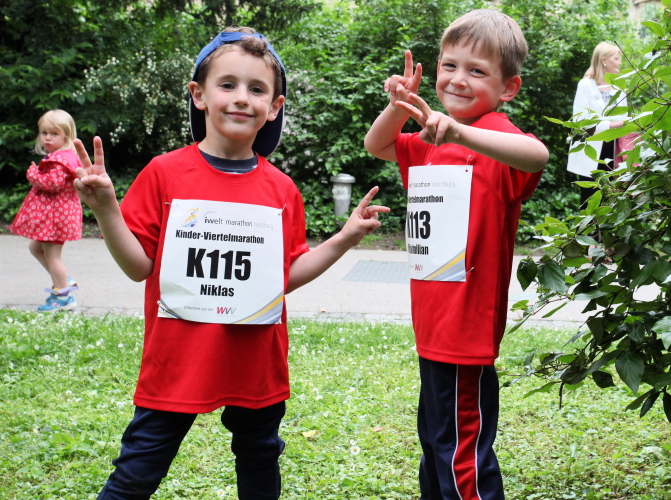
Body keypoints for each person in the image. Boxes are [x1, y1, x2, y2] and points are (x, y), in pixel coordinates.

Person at [73, 27, 389, 499]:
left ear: (274, 106)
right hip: (177, 359)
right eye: (228, 84)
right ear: (199, 95)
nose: (242, 98)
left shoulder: (282, 190)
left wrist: (344, 239)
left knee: (260, 458)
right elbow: (139, 267)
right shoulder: (164, 173)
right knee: (138, 470)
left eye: (257, 89)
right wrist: (105, 209)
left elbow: (284, 278)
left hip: (254, 361)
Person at [364, 9, 548, 500]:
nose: (458, 79)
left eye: (477, 70)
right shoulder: (429, 141)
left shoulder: (495, 139)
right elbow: (377, 144)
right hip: (432, 323)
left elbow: (538, 155)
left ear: (508, 88)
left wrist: (461, 132)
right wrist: (401, 106)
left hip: (467, 330)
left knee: (461, 454)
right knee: (436, 444)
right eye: (449, 65)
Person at [9, 109, 82, 312]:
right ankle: (63, 279)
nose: (48, 137)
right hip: (55, 216)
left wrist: (33, 174)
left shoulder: (60, 160)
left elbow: (53, 183)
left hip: (56, 218)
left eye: (54, 133)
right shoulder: (61, 156)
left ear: (66, 136)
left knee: (53, 256)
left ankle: (64, 297)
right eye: (44, 133)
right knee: (35, 248)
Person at [566, 41, 628, 205]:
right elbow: (580, 121)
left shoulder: (619, 88)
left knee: (612, 199)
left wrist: (617, 124)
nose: (619, 63)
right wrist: (610, 125)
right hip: (591, 151)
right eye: (616, 59)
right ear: (604, 60)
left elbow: (625, 120)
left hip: (614, 151)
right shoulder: (585, 85)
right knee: (590, 200)